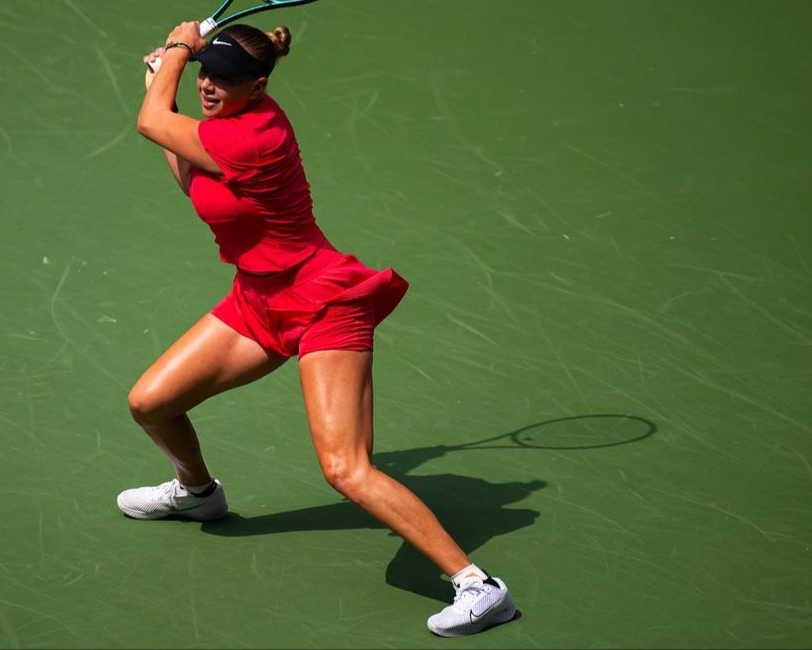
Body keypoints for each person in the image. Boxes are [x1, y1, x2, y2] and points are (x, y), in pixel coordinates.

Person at [115, 21, 516, 637]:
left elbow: (149, 124)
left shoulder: (255, 136)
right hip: (257, 299)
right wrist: (165, 83)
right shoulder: (220, 134)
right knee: (151, 402)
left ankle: (479, 587)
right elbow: (189, 173)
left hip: (323, 302)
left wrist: (173, 52)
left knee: (345, 469)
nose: (209, 86)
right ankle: (197, 494)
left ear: (260, 85)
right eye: (204, 73)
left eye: (224, 78)